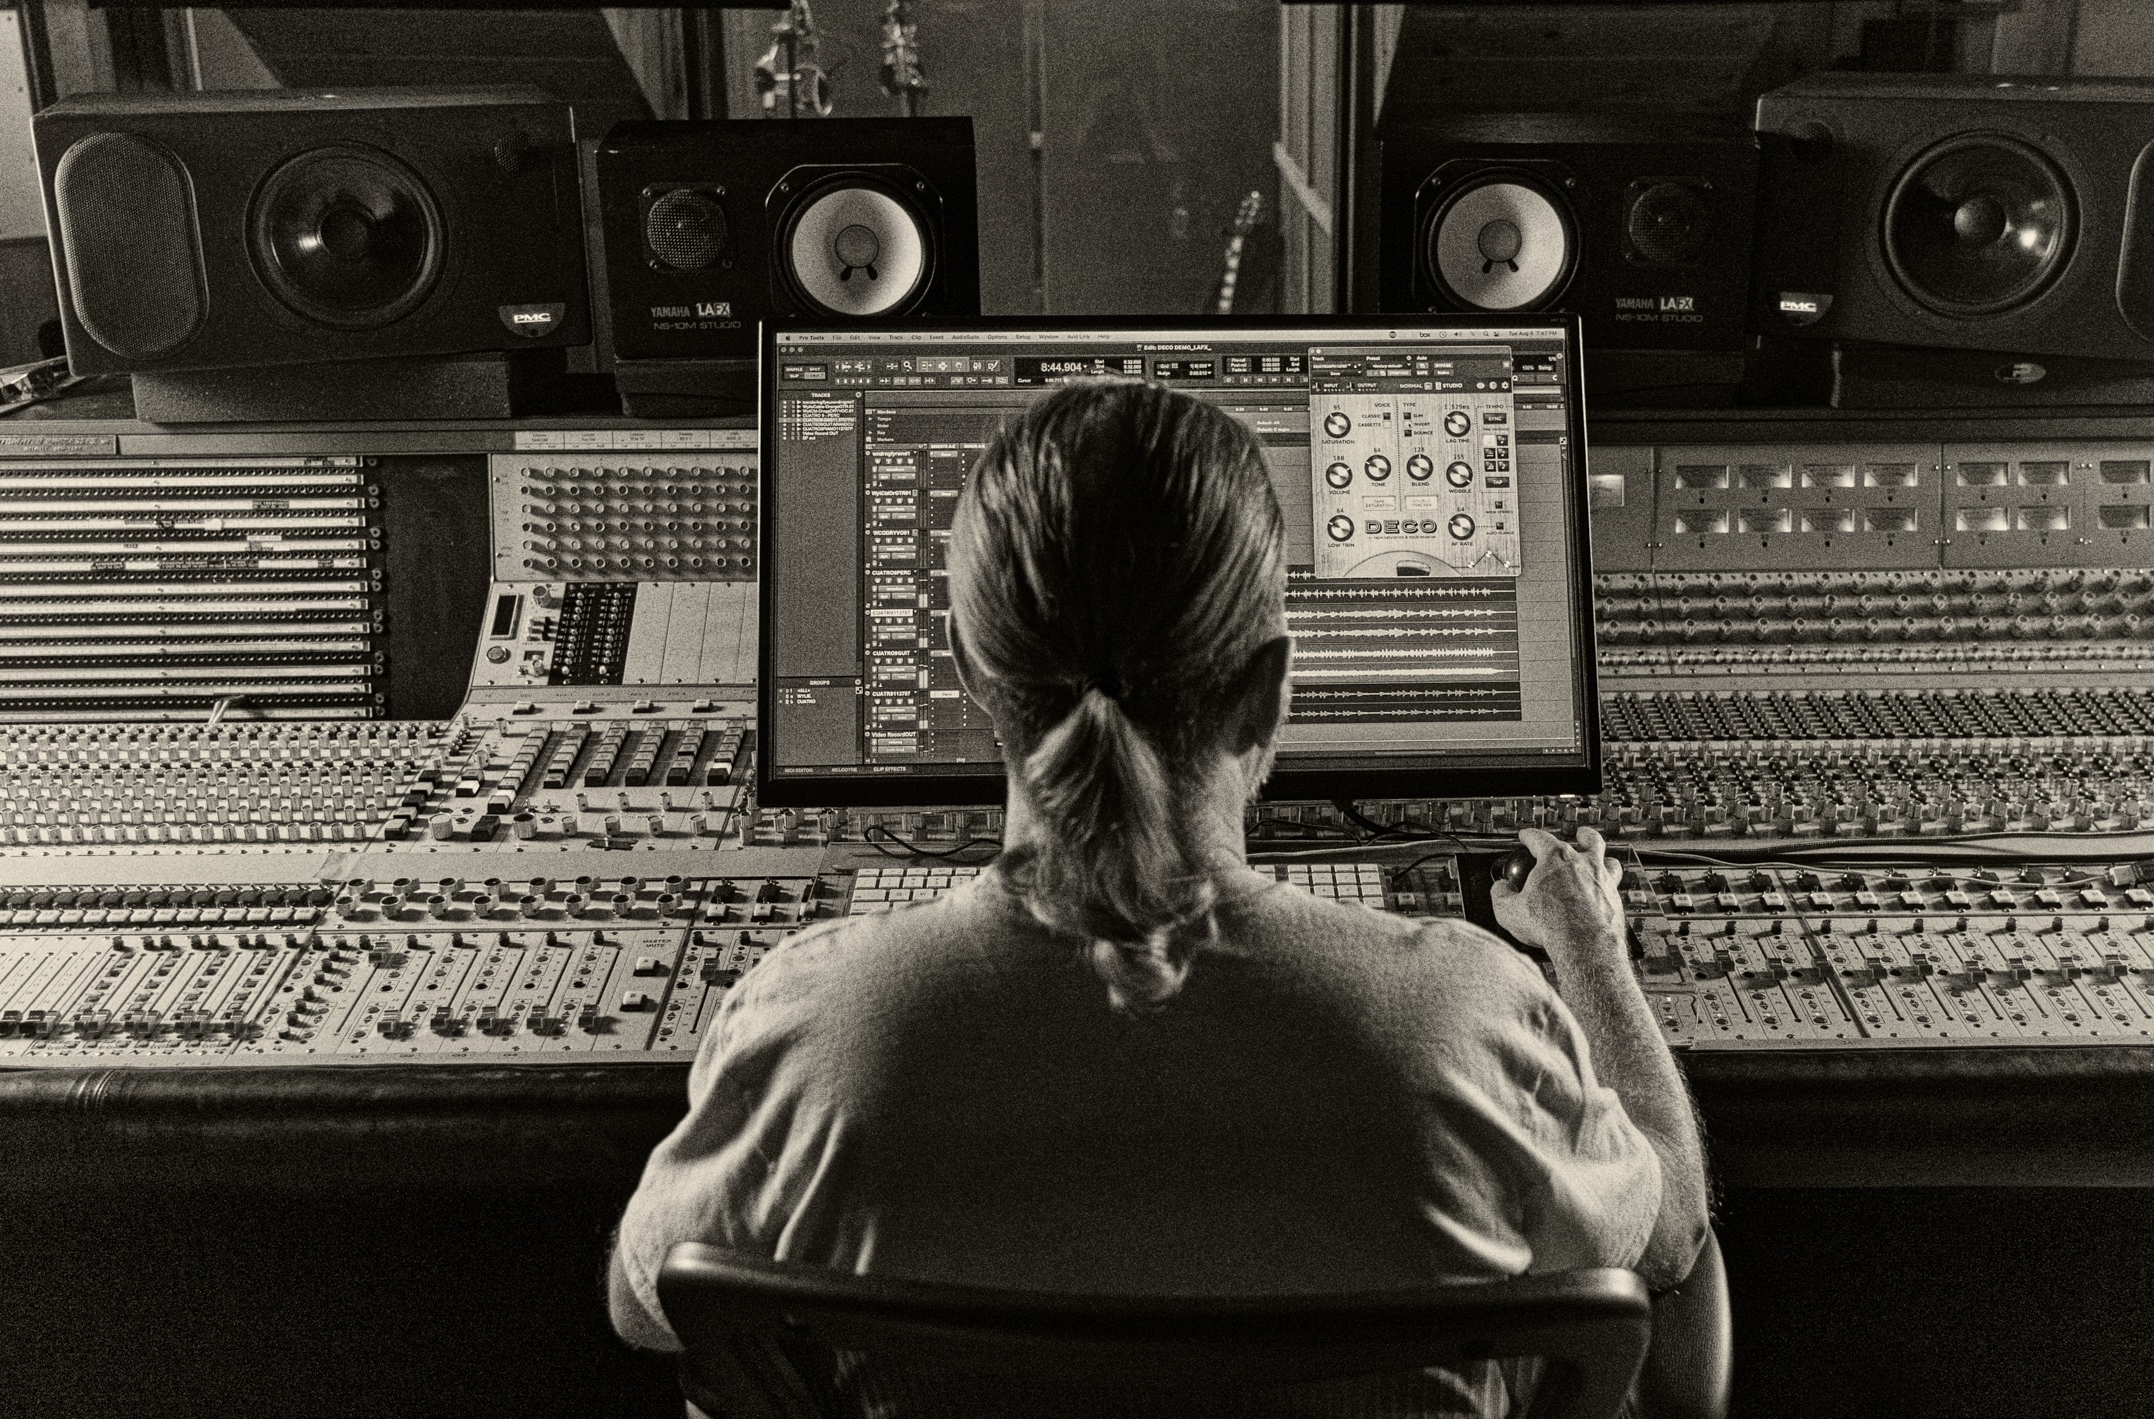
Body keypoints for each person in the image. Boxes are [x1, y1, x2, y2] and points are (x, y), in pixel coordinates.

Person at [608, 381, 1708, 1416]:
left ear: (966, 668)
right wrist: (1588, 942)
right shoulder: (1469, 1019)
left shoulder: (811, 1028)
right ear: (1269, 687)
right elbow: (1664, 1239)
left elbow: (645, 1307)